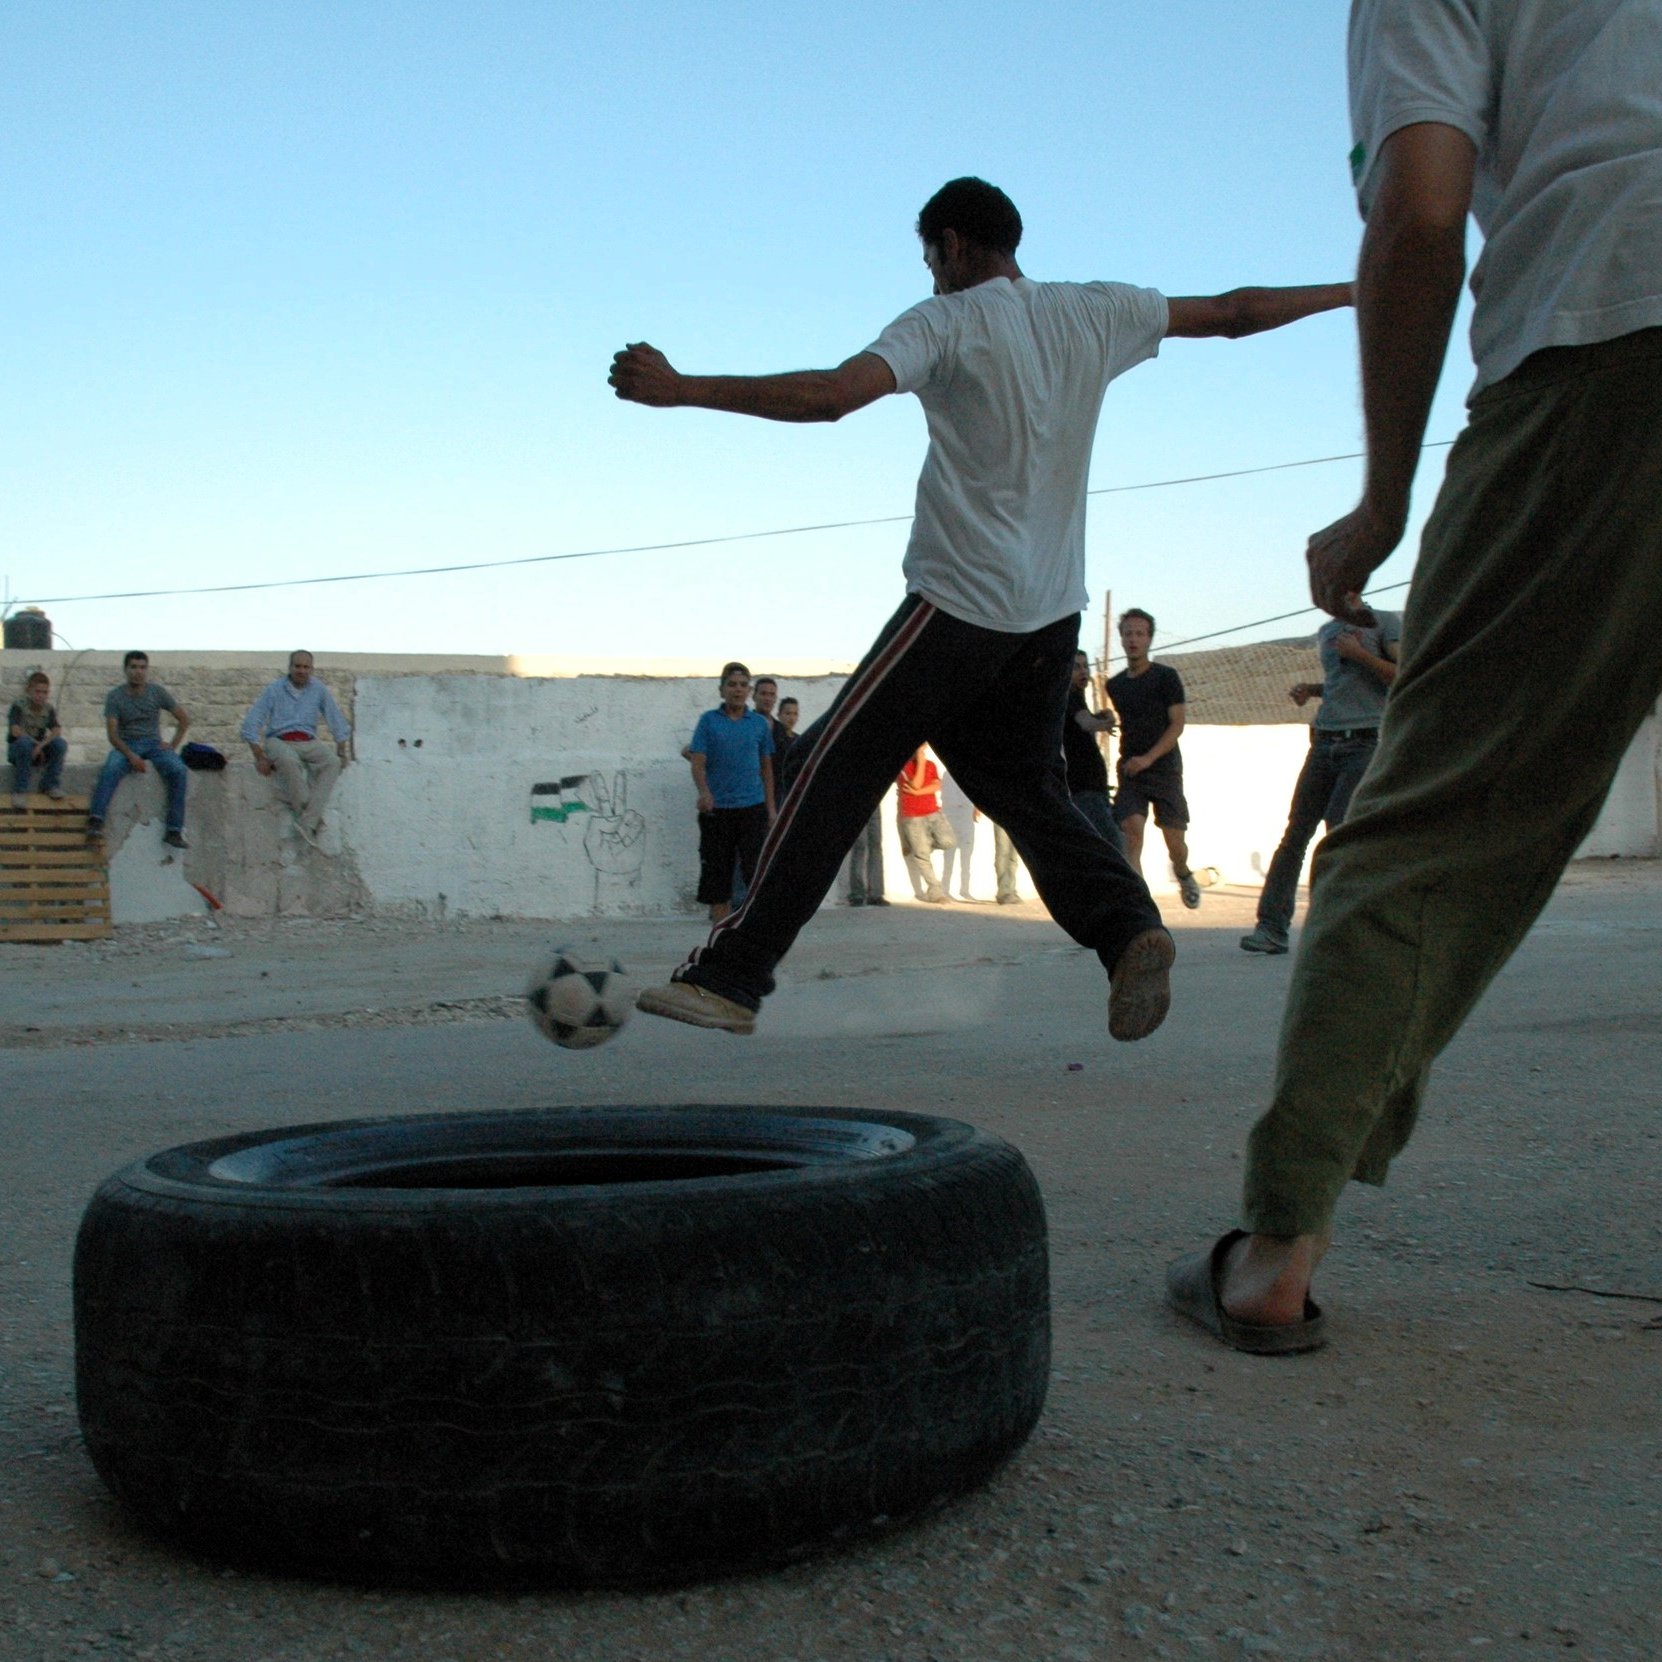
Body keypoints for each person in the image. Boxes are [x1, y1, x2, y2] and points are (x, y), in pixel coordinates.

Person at [1167, 0, 1662, 1355]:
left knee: (1422, 827)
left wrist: (1381, 496)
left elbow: (1420, 212)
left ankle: (1274, 1250)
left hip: (1606, 334)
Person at [611, 175, 1350, 1039]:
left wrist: (684, 387)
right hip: (1049, 619)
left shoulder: (946, 321)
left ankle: (731, 973)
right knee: (1023, 787)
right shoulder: (1095, 310)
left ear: (954, 246)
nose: (930, 276)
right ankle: (1128, 929)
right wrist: (1358, 289)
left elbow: (835, 396)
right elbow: (1234, 311)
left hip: (958, 606)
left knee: (828, 766)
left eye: (931, 258)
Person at [1238, 601, 1400, 955]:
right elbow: (1343, 684)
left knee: (1338, 834)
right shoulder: (1328, 631)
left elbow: (1404, 675)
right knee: (1295, 833)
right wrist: (1313, 689)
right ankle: (1271, 928)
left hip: (1364, 741)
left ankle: (1330, 930)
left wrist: (1361, 654)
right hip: (1324, 740)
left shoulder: (1385, 623)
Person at [1108, 609, 1201, 908]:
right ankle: (1141, 905)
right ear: (1121, 638)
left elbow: (1177, 725)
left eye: (1139, 633)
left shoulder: (1166, 677)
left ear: (1149, 639)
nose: (1133, 639)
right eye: (1128, 633)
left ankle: (1183, 872)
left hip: (1164, 769)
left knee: (1176, 845)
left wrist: (1149, 758)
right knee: (1131, 833)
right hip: (1131, 770)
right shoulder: (1115, 685)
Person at [685, 661, 776, 922]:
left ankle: (752, 932)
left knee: (755, 875)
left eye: (743, 685)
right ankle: (718, 936)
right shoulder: (708, 722)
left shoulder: (758, 724)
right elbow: (697, 763)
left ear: (749, 691)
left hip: (752, 809)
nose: (738, 690)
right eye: (732, 685)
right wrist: (704, 792)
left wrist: (770, 809)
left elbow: (766, 770)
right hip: (718, 811)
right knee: (718, 879)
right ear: (721, 690)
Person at [241, 651, 353, 848]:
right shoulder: (274, 689)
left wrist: (342, 750)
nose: (301, 671)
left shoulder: (318, 689)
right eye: (297, 666)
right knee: (288, 761)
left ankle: (306, 822)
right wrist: (259, 756)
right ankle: (311, 821)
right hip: (279, 740)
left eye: (306, 667)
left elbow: (336, 719)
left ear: (311, 669)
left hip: (308, 741)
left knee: (333, 763)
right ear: (290, 668)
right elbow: (252, 723)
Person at [87, 651, 191, 848]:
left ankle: (174, 830)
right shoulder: (115, 697)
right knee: (111, 768)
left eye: (142, 667)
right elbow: (112, 735)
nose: (138, 672)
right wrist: (131, 756)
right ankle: (96, 820)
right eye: (133, 667)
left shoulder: (157, 692)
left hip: (154, 745)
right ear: (126, 670)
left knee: (179, 770)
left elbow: (184, 719)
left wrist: (172, 745)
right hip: (126, 744)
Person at [1064, 649, 1125, 856]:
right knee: (1114, 849)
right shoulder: (1068, 697)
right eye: (1076, 667)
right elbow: (1084, 723)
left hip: (1091, 790)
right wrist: (1104, 722)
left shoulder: (1077, 698)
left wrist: (1101, 717)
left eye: (1085, 666)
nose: (1083, 671)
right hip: (1084, 791)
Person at [896, 747, 957, 902]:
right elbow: (916, 783)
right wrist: (921, 762)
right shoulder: (904, 767)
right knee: (922, 856)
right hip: (912, 817)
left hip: (933, 812)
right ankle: (935, 892)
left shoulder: (931, 764)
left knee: (948, 841)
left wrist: (917, 793)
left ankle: (919, 845)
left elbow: (936, 785)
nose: (922, 751)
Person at [8, 671, 67, 808]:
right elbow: (15, 731)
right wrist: (35, 745)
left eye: (44, 692)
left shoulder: (48, 709)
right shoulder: (19, 706)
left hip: (36, 750)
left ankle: (50, 785)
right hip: (19, 750)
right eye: (37, 691)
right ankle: (20, 790)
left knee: (60, 744)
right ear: (29, 690)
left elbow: (56, 730)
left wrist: (40, 746)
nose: (41, 696)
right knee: (24, 744)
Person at [844, 807, 888, 907]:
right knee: (860, 847)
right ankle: (857, 893)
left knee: (876, 846)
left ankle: (875, 894)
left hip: (875, 808)